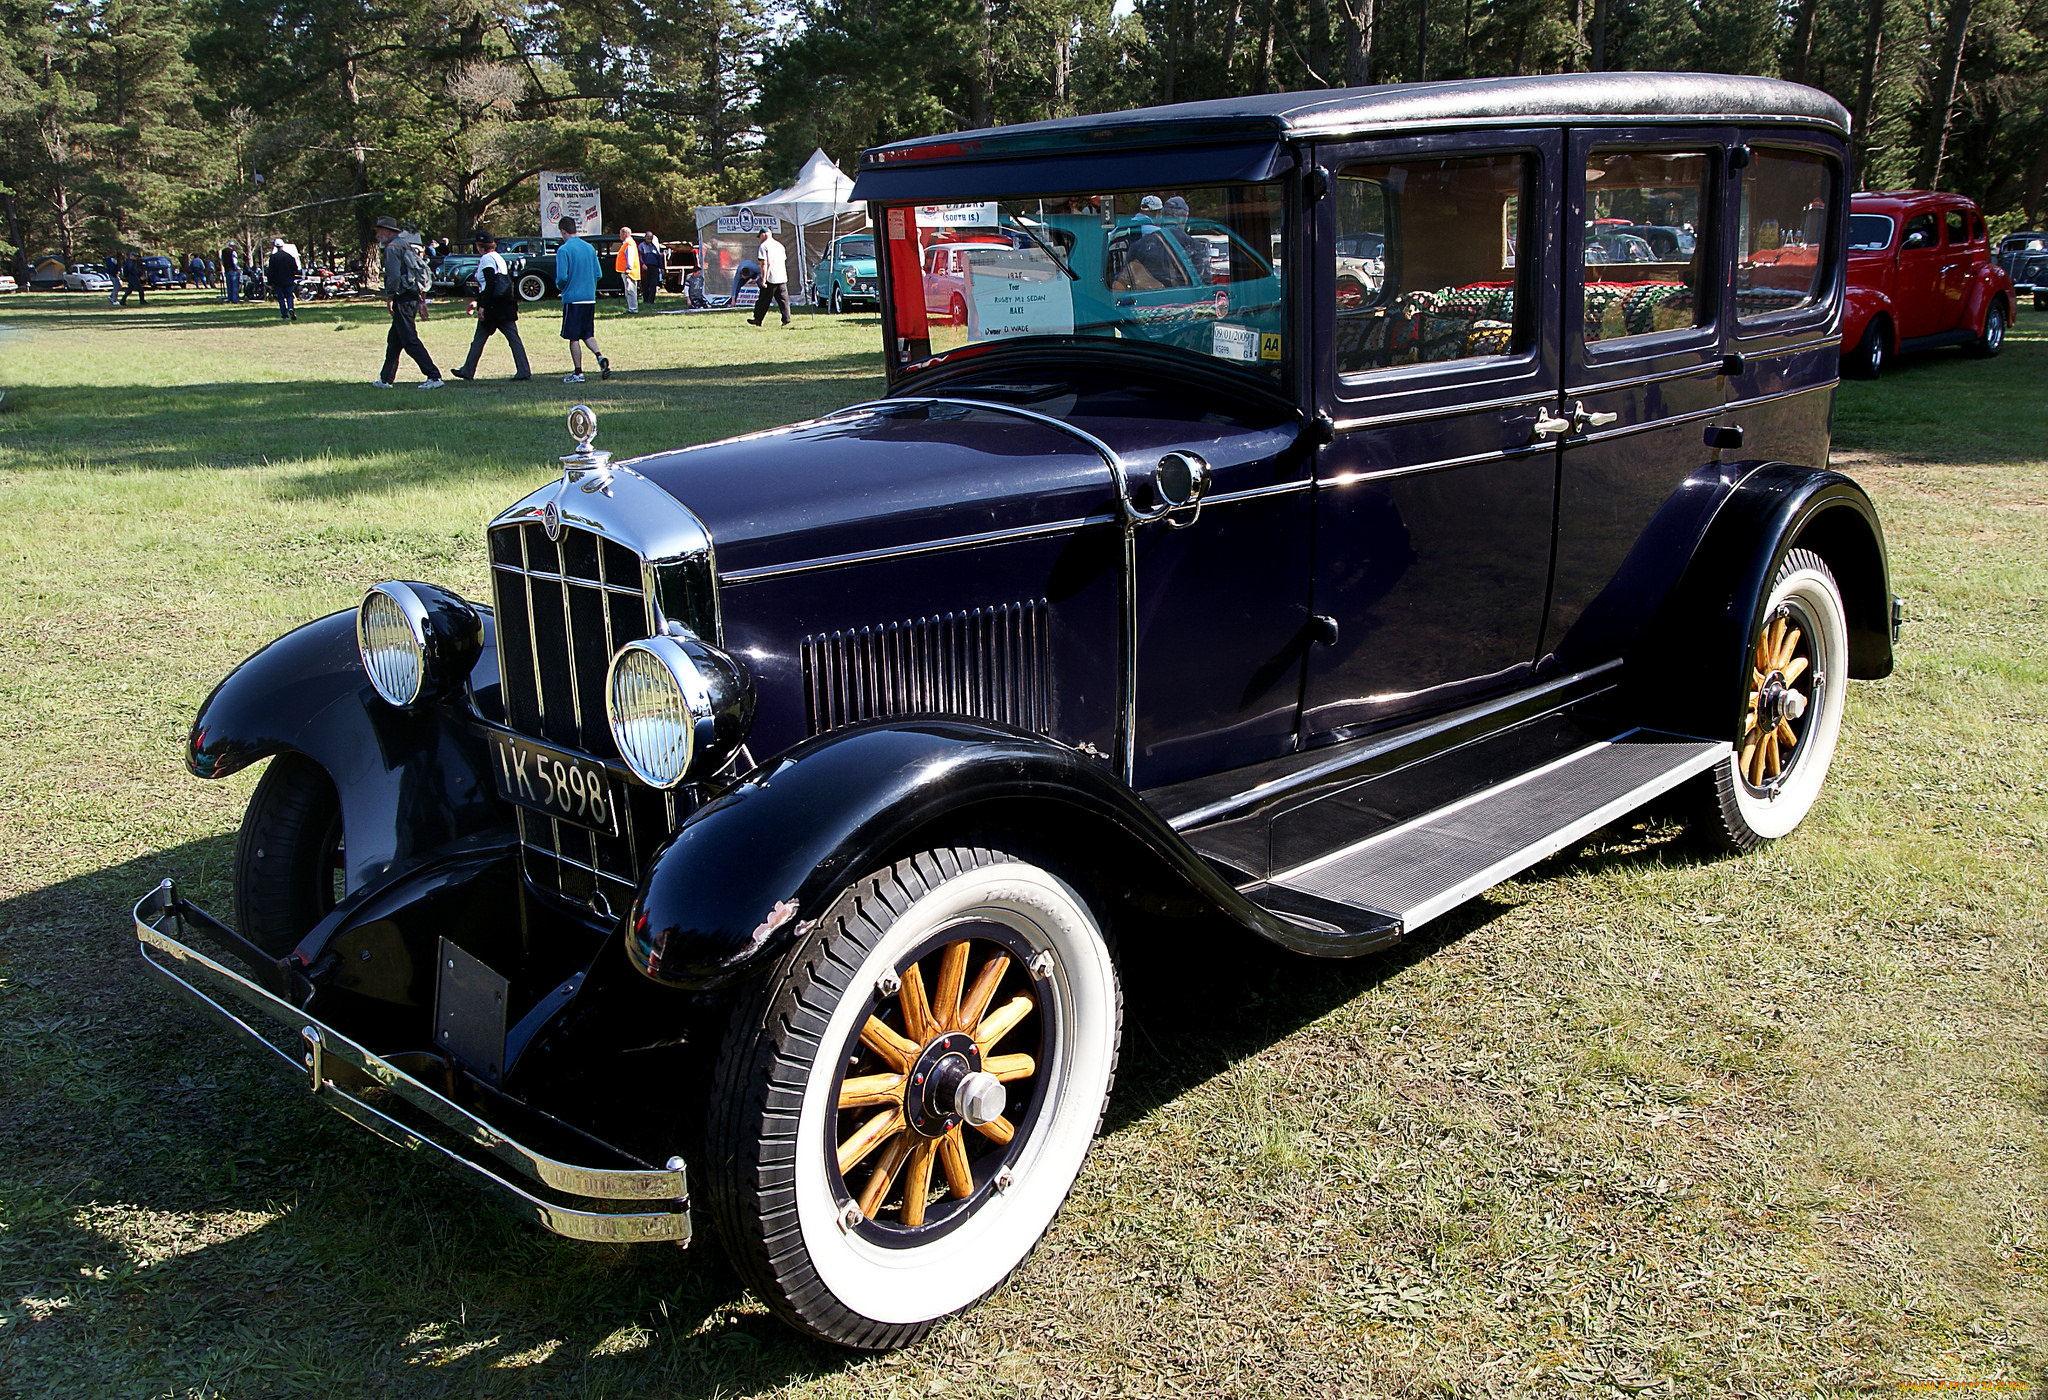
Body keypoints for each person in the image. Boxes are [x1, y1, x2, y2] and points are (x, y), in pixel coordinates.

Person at [371, 214, 443, 389]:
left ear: (386, 231)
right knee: (394, 341)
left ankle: (434, 376)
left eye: (379, 230)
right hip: (411, 296)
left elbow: (394, 276)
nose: (376, 234)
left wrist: (389, 296)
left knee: (410, 340)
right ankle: (385, 379)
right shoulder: (404, 245)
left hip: (402, 297)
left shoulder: (391, 248)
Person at [450, 229, 530, 382]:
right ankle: (523, 370)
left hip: (494, 306)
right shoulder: (498, 257)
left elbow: (490, 283)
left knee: (481, 338)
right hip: (504, 304)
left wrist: (482, 306)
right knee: (512, 338)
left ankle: (468, 370)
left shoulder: (486, 259)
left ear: (480, 246)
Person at [553, 215, 608, 383]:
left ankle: (578, 372)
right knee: (587, 334)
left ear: (563, 231)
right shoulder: (589, 248)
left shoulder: (564, 250)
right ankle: (599, 356)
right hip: (589, 298)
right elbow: (598, 273)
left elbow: (562, 277)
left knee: (573, 337)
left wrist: (561, 286)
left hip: (573, 298)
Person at [748, 226, 791, 327]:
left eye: (759, 236)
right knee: (783, 300)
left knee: (763, 300)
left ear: (763, 235)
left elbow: (764, 263)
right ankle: (786, 319)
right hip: (781, 276)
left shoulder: (764, 246)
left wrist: (763, 279)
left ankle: (758, 319)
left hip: (770, 277)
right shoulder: (780, 245)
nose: (759, 239)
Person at [266, 237, 299, 321]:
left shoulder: (273, 257)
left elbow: (270, 270)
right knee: (289, 296)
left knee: (280, 298)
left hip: (278, 281)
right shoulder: (289, 256)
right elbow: (295, 268)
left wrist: (269, 282)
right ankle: (291, 308)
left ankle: (284, 315)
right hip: (288, 280)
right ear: (282, 245)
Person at [614, 226, 641, 313]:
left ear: (625, 234)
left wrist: (629, 268)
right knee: (628, 290)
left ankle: (633, 309)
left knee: (630, 290)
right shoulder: (627, 243)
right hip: (627, 271)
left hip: (629, 272)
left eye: (620, 233)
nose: (619, 235)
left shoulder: (629, 243)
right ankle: (631, 308)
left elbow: (630, 256)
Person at [639, 233, 663, 305]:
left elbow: (658, 258)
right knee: (645, 284)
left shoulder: (654, 247)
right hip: (645, 267)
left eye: (651, 237)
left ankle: (651, 301)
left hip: (654, 267)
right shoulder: (641, 246)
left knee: (653, 284)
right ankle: (646, 300)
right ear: (645, 237)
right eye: (648, 237)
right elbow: (639, 256)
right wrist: (642, 264)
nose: (649, 238)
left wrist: (661, 267)